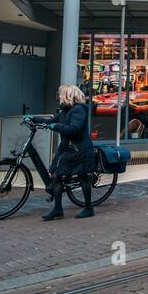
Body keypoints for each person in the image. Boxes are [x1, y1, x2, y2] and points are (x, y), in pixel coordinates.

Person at [41, 85, 99, 220]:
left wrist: (56, 126)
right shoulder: (65, 112)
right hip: (69, 149)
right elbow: (50, 121)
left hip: (81, 149)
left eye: (62, 95)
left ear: (68, 96)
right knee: (56, 176)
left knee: (83, 177)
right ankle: (57, 209)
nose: (60, 97)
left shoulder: (79, 110)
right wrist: (33, 119)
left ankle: (88, 208)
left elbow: (74, 129)